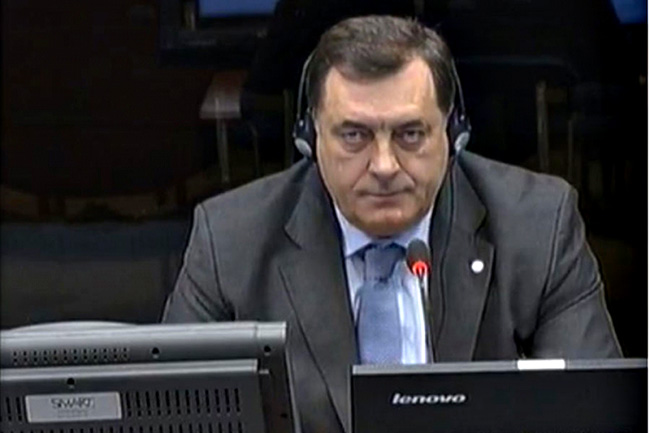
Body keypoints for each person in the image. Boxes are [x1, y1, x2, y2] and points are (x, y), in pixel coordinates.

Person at [162, 15, 621, 433]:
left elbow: (594, 413)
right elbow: (179, 416)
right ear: (309, 137)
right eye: (354, 135)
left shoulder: (537, 226)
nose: (384, 165)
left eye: (410, 134)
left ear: (453, 133)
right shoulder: (230, 243)